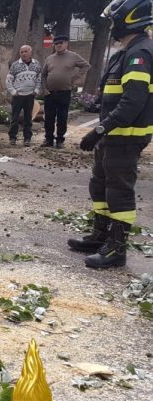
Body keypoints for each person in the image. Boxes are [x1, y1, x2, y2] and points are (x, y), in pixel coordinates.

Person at [71, 0, 153, 269]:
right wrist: (96, 106)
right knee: (100, 184)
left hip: (126, 135)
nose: (111, 26)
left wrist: (99, 129)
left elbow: (133, 102)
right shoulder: (124, 52)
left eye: (113, 21)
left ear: (126, 20)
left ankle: (117, 249)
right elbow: (114, 92)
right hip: (113, 134)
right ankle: (101, 235)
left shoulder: (140, 53)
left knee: (119, 191)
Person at [41, 35, 90, 148]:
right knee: (49, 118)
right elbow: (43, 75)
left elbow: (86, 66)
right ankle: (48, 139)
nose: (58, 45)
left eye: (61, 43)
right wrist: (44, 88)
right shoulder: (50, 58)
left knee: (62, 118)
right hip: (50, 93)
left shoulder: (73, 56)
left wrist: (74, 77)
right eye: (56, 43)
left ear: (66, 43)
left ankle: (60, 140)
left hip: (64, 92)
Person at [6, 45, 42, 146]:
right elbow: (9, 80)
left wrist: (36, 90)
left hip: (30, 96)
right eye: (21, 52)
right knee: (15, 118)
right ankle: (12, 138)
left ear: (30, 52)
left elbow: (39, 79)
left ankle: (27, 139)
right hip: (18, 96)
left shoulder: (36, 65)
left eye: (26, 51)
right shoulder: (15, 65)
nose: (23, 54)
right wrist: (13, 91)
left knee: (28, 118)